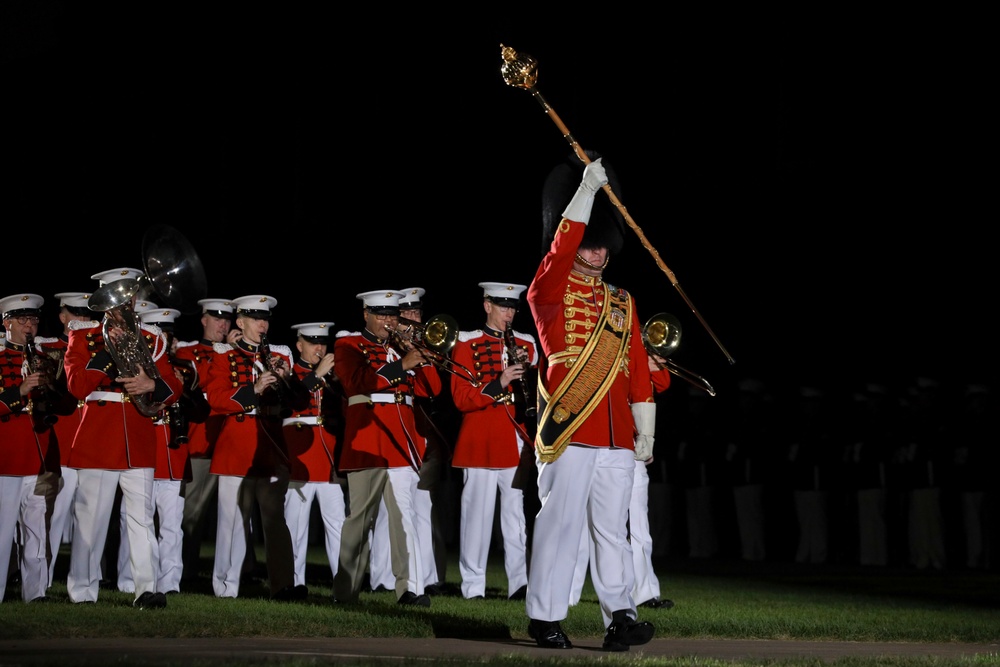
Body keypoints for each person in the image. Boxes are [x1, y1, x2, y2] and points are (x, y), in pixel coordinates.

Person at [524, 153, 656, 651]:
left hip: (617, 434)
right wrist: (584, 194)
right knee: (560, 525)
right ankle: (545, 616)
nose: (598, 253)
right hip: (571, 426)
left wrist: (645, 432)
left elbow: (639, 372)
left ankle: (620, 614)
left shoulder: (623, 302)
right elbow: (558, 253)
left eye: (604, 244)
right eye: (591, 242)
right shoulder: (548, 291)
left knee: (612, 531)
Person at [64, 268, 183, 608]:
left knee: (142, 517)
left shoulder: (152, 336)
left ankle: (146, 589)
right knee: (92, 517)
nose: (125, 303)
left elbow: (173, 386)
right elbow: (77, 386)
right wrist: (107, 353)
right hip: (99, 433)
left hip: (139, 432)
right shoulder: (84, 335)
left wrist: (151, 386)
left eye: (129, 296)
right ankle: (83, 590)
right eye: (118, 296)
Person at [331, 290, 441, 607]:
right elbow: (356, 382)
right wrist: (401, 365)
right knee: (359, 520)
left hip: (402, 443)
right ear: (365, 313)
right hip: (368, 441)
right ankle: (346, 591)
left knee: (404, 517)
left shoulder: (402, 348)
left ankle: (410, 588)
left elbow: (431, 388)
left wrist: (418, 352)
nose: (388, 321)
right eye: (380, 314)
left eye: (392, 315)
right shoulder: (348, 344)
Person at [203, 294, 310, 600]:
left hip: (271, 442)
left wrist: (286, 380)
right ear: (241, 322)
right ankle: (226, 587)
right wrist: (254, 389)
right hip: (237, 443)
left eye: (265, 320)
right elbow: (217, 399)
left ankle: (283, 585)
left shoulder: (280, 355)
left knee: (275, 518)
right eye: (255, 319)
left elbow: (299, 402)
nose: (263, 325)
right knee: (233, 519)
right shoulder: (225, 354)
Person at [568, 348, 676, 611]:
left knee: (639, 523)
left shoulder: (635, 349)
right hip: (592, 440)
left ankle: (645, 592)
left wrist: (649, 361)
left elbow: (662, 384)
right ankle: (567, 593)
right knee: (581, 523)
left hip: (628, 445)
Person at [115, 303, 209, 595]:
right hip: (143, 449)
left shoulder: (183, 369)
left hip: (174, 454)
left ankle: (169, 583)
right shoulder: (129, 363)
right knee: (131, 521)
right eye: (160, 333)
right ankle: (129, 581)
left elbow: (202, 412)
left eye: (169, 334)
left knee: (172, 526)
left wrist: (184, 390)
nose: (167, 340)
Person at [449, 281, 535, 600]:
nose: (509, 314)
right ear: (487, 306)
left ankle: (519, 584)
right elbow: (461, 397)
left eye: (512, 308)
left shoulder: (527, 343)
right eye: (503, 307)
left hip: (515, 439)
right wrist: (499, 382)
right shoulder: (466, 342)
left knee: (515, 518)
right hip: (480, 438)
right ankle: (473, 587)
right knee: (477, 518)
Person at [175, 297, 240, 585]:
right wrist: (226, 353)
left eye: (226, 320)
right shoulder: (188, 351)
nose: (223, 324)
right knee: (192, 513)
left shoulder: (240, 352)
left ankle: (242, 569)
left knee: (238, 514)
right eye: (216, 318)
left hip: (233, 442)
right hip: (202, 441)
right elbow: (201, 382)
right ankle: (184, 571)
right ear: (203, 320)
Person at [0, 293, 60, 603]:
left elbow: (64, 406)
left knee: (37, 531)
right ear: (6, 323)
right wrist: (19, 391)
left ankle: (35, 593)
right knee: (1, 532)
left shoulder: (46, 359)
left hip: (40, 456)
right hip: (7, 458)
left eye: (34, 320)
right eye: (22, 320)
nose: (29, 326)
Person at [36, 291, 94, 589]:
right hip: (63, 438)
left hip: (92, 440)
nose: (83, 319)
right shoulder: (48, 347)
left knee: (91, 517)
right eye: (77, 313)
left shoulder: (99, 347)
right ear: (63, 317)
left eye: (87, 314)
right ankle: (41, 580)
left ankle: (88, 580)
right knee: (53, 514)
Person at [283, 321, 346, 590]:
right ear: (299, 345)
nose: (319, 347)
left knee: (339, 526)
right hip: (301, 454)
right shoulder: (289, 373)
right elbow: (292, 401)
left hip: (329, 456)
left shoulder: (334, 376)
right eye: (312, 342)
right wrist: (317, 375)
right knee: (295, 527)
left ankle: (343, 583)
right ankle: (294, 582)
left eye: (322, 342)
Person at [397, 287, 449, 594]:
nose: (415, 319)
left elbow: (434, 387)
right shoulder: (390, 347)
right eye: (408, 314)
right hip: (400, 429)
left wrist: (423, 356)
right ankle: (388, 576)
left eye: (418, 313)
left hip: (425, 434)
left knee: (425, 506)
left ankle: (431, 577)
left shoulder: (427, 345)